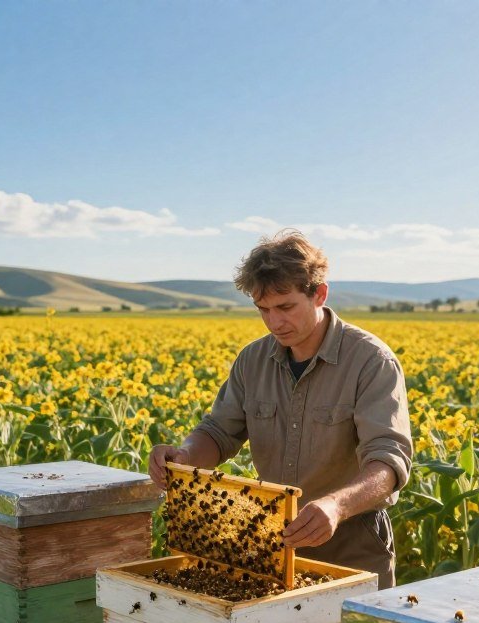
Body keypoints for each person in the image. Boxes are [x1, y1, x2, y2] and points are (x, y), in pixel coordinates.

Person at [148, 231, 412, 587]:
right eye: (263, 310)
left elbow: (389, 462)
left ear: (319, 294)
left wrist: (336, 506)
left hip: (353, 542)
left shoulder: (370, 361)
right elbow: (218, 432)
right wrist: (184, 456)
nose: (274, 322)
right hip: (273, 544)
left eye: (286, 307)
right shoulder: (252, 360)